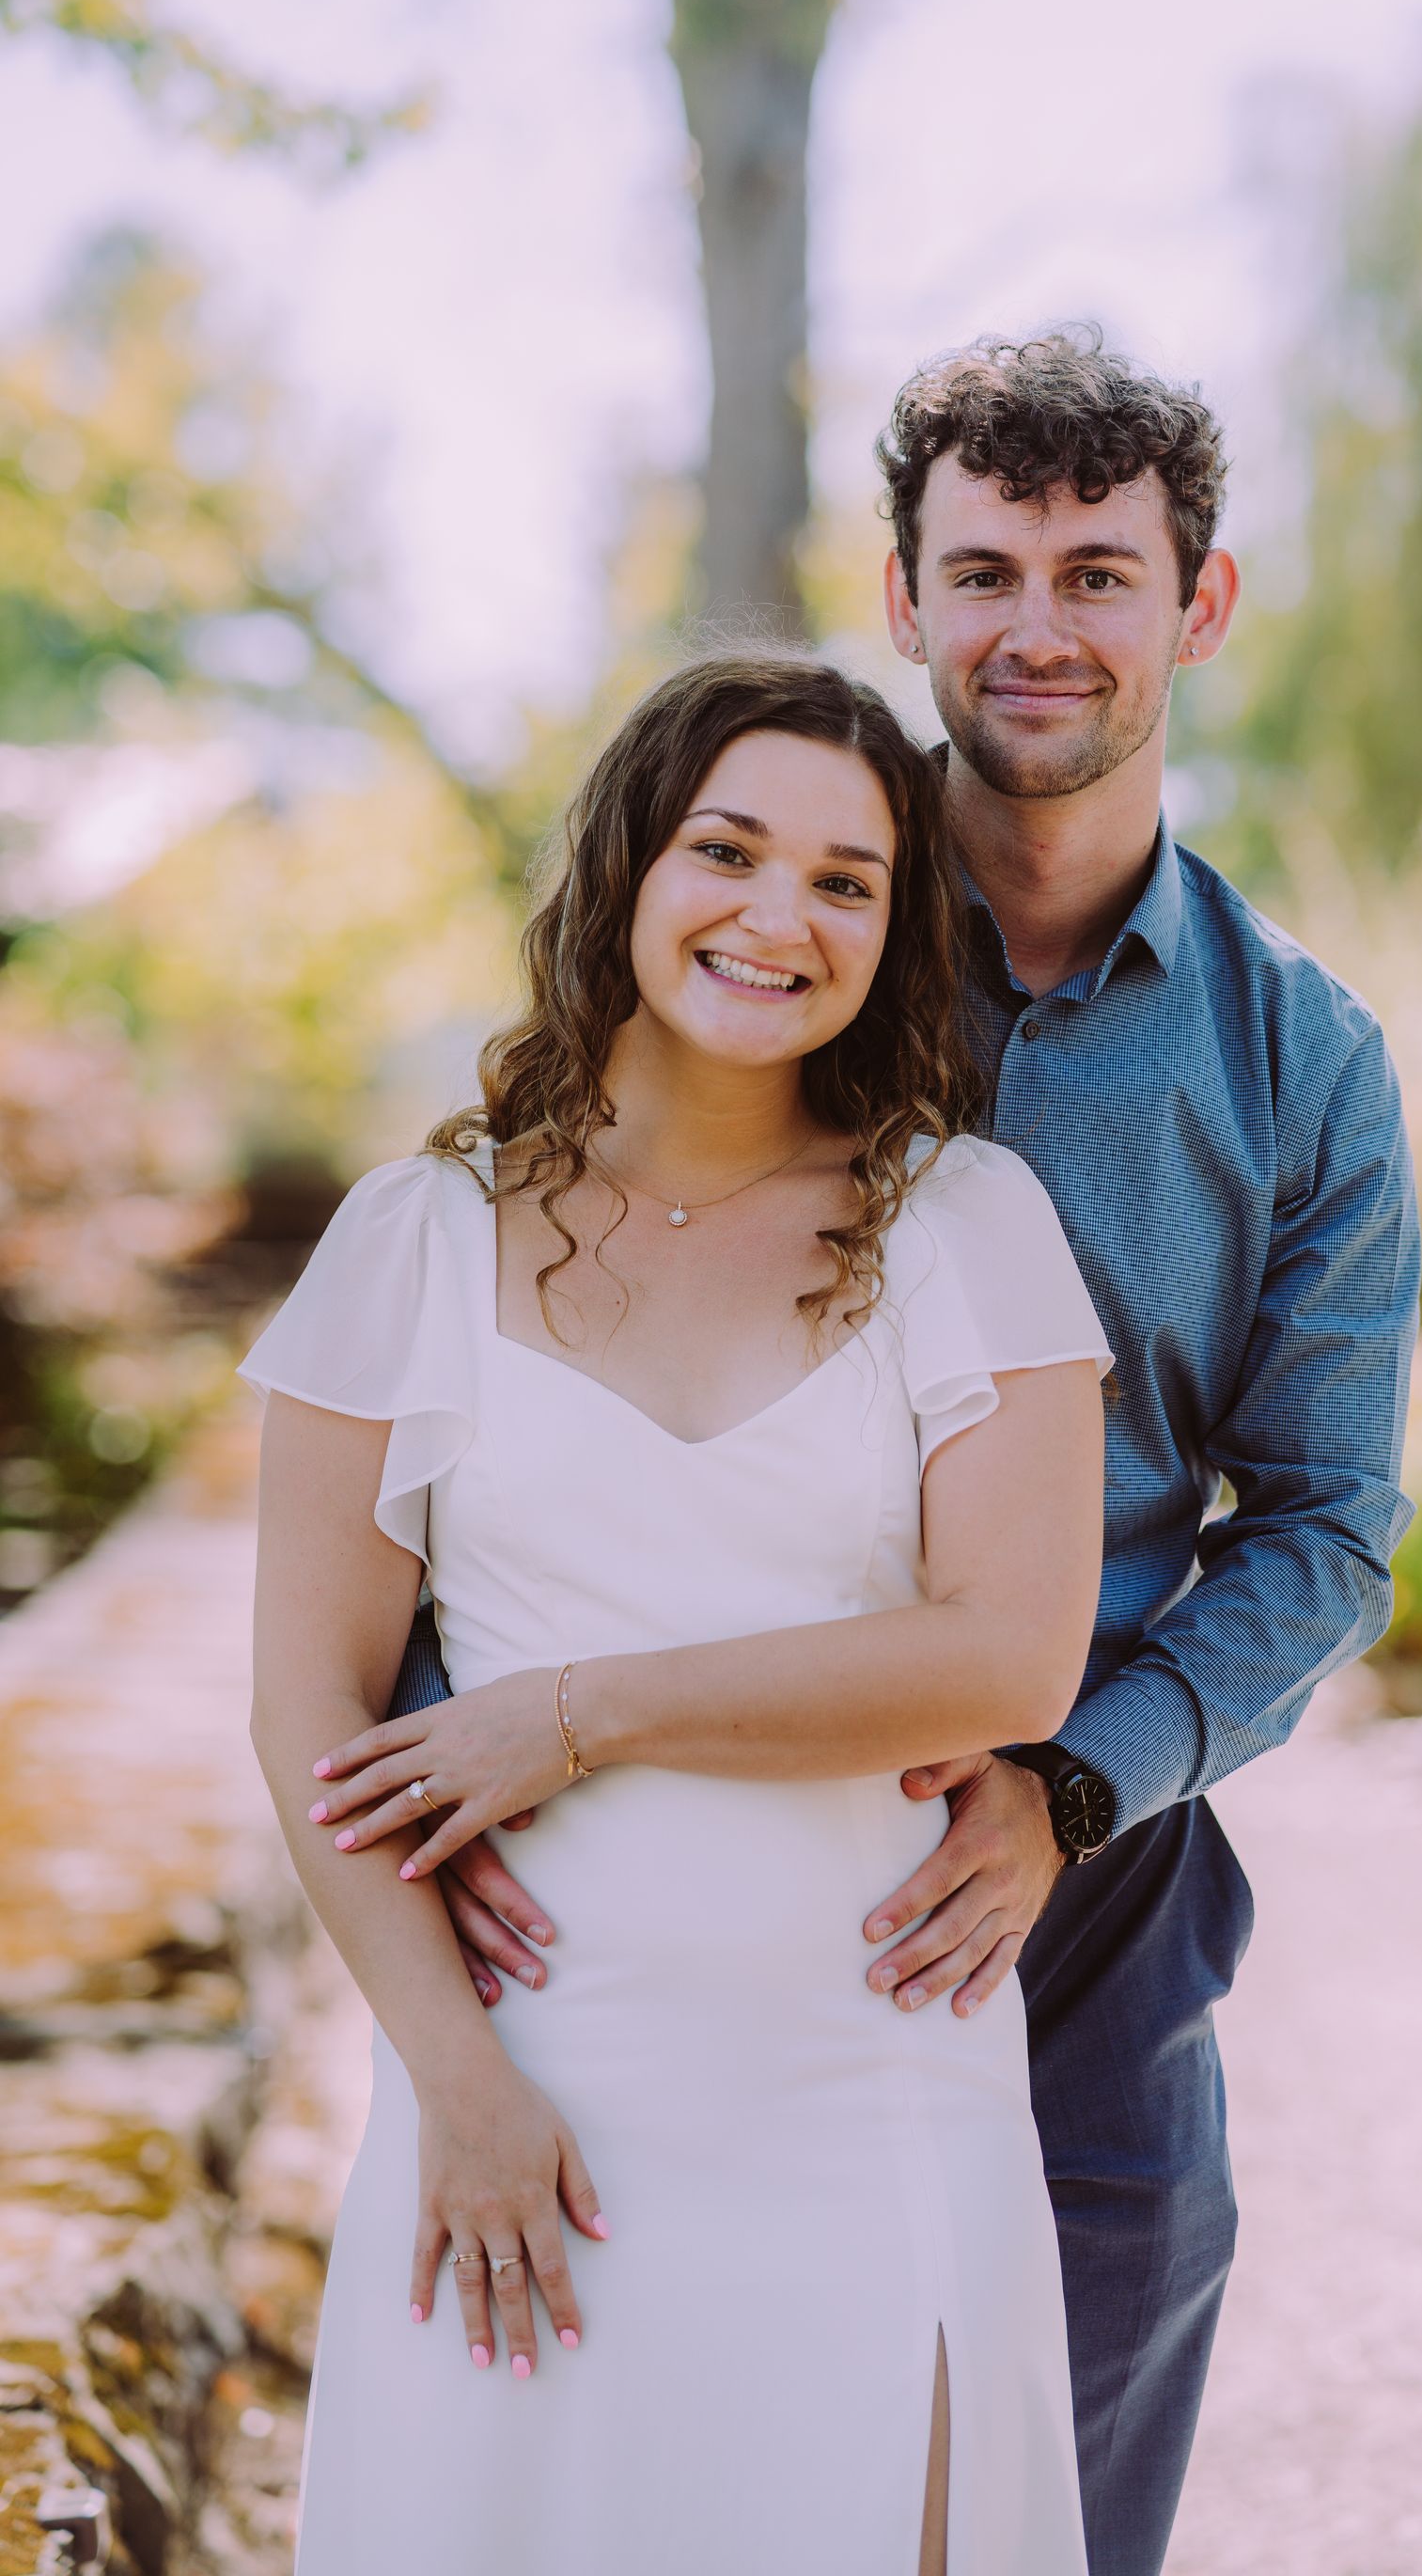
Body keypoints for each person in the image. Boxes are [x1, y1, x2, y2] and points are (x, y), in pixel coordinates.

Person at [397, 330, 1421, 2576]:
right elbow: (486, 1347)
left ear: (1203, 605)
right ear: (904, 596)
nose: (1037, 627)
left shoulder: (1304, 1062)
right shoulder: (763, 937)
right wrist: (431, 1750)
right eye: (986, 570)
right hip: (659, 1878)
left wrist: (1074, 1784)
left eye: (1096, 571)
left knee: (1051, 2483)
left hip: (1093, 1870)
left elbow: (1330, 1525)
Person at [244, 652, 1116, 2574]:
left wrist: (566, 1714)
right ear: (632, 865)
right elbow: (307, 1704)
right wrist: (453, 2086)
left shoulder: (966, 1227)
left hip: (865, 2084)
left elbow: (1006, 1658)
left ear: (894, 939)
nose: (774, 916)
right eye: (728, 849)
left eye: (845, 881)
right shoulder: (416, 1239)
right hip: (526, 2092)